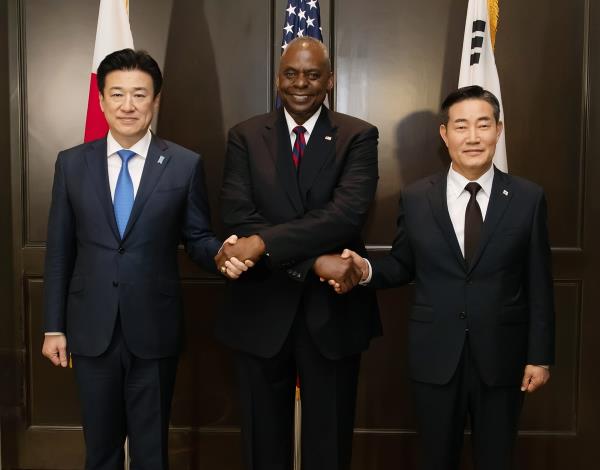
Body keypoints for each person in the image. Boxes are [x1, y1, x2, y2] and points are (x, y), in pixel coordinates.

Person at [41, 48, 246, 470]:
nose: (128, 105)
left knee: (152, 450)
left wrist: (223, 254)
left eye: (139, 94)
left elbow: (197, 237)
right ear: (101, 101)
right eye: (117, 94)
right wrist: (53, 327)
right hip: (90, 329)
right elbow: (60, 250)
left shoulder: (184, 165)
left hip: (154, 328)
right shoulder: (71, 164)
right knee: (100, 450)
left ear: (156, 101)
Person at [340, 86, 555, 470]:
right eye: (461, 126)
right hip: (435, 356)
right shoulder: (417, 197)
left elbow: (539, 281)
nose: (472, 137)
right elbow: (402, 264)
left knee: (497, 459)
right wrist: (365, 269)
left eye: (483, 125)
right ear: (445, 134)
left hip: (503, 358)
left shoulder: (527, 197)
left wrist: (540, 356)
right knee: (436, 458)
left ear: (498, 130)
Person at [214, 37, 381, 470]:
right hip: (261, 310)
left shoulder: (358, 135)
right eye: (291, 73)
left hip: (333, 314)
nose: (300, 83)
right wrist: (312, 261)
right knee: (262, 448)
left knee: (329, 448)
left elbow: (344, 217)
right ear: (277, 78)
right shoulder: (245, 136)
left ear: (330, 80)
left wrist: (266, 242)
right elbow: (238, 214)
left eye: (312, 74)